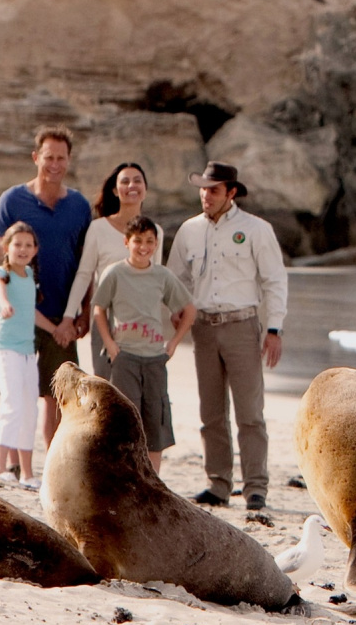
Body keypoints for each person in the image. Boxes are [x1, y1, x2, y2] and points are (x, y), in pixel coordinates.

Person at [168, 161, 287, 511]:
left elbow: (274, 280)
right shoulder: (189, 230)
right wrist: (176, 310)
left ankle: (255, 487)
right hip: (203, 328)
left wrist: (274, 329)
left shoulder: (256, 229)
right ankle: (218, 484)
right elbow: (176, 277)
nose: (206, 196)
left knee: (250, 412)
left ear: (231, 193)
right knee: (211, 413)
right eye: (203, 189)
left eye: (214, 190)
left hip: (242, 326)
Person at [0, 127, 93, 448]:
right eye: (49, 157)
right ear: (36, 157)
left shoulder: (79, 206)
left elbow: (87, 266)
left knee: (57, 397)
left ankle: (52, 464)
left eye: (61, 158)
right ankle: (15, 465)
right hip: (17, 314)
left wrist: (82, 313)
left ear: (69, 161)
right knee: (17, 392)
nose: (55, 164)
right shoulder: (12, 199)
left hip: (61, 318)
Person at [92, 215, 195, 474]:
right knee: (126, 418)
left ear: (157, 244)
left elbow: (189, 309)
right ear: (127, 242)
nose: (143, 246)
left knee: (155, 418)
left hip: (154, 358)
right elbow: (99, 309)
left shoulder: (162, 275)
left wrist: (172, 344)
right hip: (124, 356)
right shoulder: (115, 273)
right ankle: (125, 475)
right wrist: (110, 345)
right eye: (138, 241)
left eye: (150, 241)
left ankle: (153, 478)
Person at [65, 162, 163, 379]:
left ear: (145, 189)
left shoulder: (156, 232)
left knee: (137, 393)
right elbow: (84, 274)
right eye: (125, 181)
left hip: (142, 323)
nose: (131, 186)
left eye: (137, 181)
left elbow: (155, 280)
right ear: (114, 190)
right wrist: (69, 316)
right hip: (105, 319)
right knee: (106, 387)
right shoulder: (98, 228)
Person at [0, 222, 49, 488]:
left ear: (35, 250)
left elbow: (32, 313)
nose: (23, 249)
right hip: (5, 348)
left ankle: (27, 473)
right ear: (7, 247)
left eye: (28, 245)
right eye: (17, 244)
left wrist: (56, 329)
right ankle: (0, 467)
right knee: (11, 403)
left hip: (27, 352)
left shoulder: (29, 279)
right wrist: (4, 305)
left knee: (29, 409)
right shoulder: (2, 274)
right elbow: (0, 292)